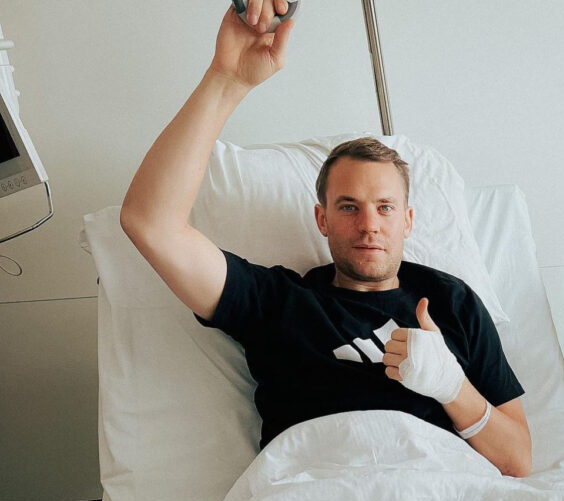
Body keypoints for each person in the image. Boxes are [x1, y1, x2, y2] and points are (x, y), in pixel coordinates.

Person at [120, 2, 531, 477]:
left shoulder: (452, 303)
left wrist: (452, 387)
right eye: (349, 207)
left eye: (385, 208)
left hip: (444, 495)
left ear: (408, 221)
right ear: (322, 219)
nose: (369, 224)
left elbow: (518, 459)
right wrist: (226, 79)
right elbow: (151, 224)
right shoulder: (279, 303)